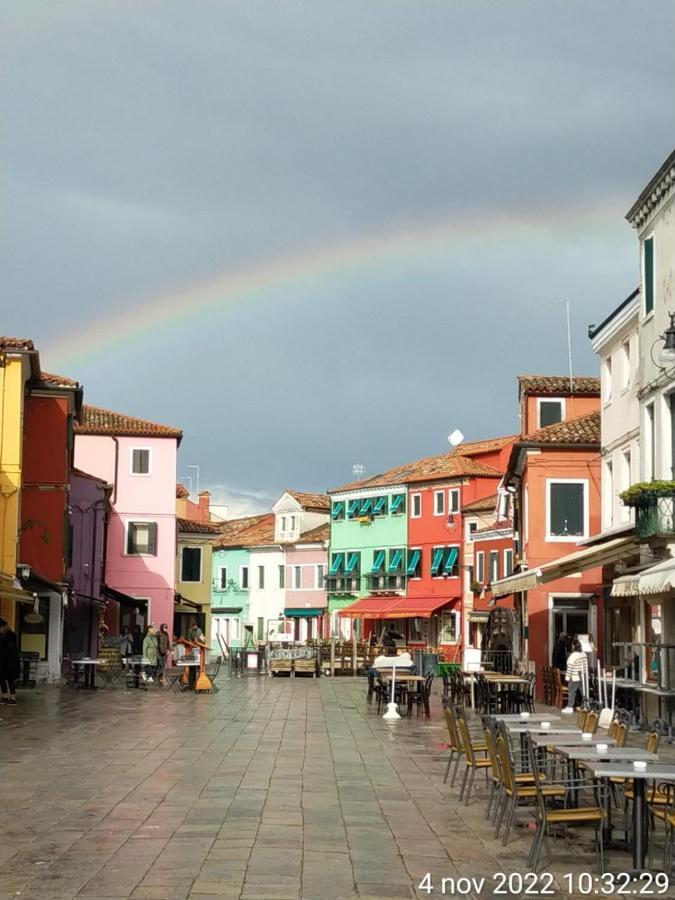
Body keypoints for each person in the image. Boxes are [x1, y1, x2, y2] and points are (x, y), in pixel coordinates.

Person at [0, 618, 20, 705]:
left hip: (10, 662)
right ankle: (4, 696)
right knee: (1, 678)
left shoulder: (11, 636)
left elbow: (11, 650)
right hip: (2, 661)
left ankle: (12, 697)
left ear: (4, 627)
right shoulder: (1, 636)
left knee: (10, 679)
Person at [565, 640, 588, 709]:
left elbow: (570, 668)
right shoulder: (584, 654)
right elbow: (585, 666)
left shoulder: (573, 656)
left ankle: (569, 707)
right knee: (584, 692)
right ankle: (585, 706)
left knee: (571, 692)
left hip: (574, 676)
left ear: (573, 646)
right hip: (583, 676)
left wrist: (567, 677)